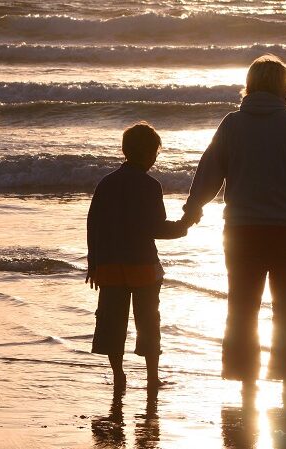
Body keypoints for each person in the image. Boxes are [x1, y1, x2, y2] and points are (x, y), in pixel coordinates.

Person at [180, 54, 286, 396]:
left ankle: (246, 379)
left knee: (242, 305)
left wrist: (192, 209)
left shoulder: (231, 124)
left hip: (242, 232)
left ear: (251, 85)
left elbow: (209, 172)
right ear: (282, 88)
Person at [86, 122, 190, 390]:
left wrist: (93, 263)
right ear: (147, 154)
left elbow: (93, 224)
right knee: (148, 322)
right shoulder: (150, 186)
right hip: (142, 264)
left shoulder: (106, 183)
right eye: (155, 152)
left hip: (108, 264)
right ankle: (152, 377)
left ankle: (119, 375)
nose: (156, 158)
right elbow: (157, 229)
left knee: (111, 322)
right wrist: (185, 225)